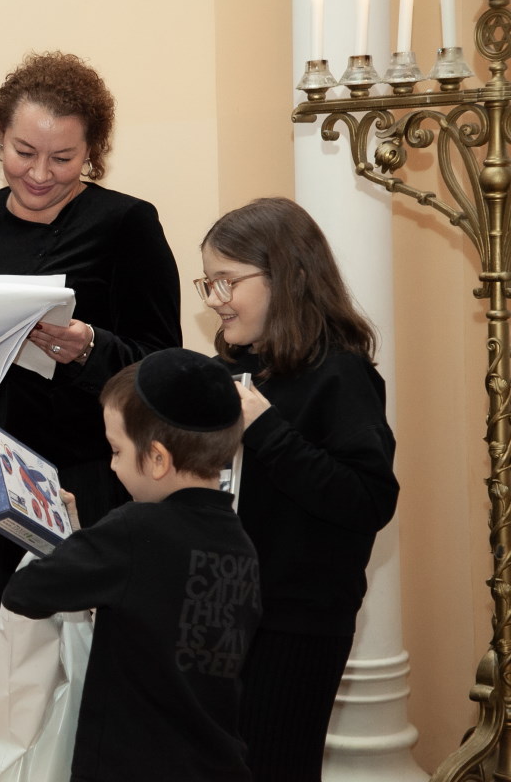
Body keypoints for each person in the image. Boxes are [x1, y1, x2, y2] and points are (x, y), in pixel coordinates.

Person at [0, 51, 182, 780]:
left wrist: (90, 348)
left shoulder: (126, 224)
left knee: (58, 671)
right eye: (24, 152)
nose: (41, 174)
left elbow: (161, 366)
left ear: (94, 152)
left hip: (75, 484)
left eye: (64, 158)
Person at [196, 196, 399, 781]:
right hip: (226, 607)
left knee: (275, 765)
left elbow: (368, 500)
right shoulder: (238, 371)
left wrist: (265, 429)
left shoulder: (340, 373)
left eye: (227, 281)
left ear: (286, 275)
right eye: (207, 283)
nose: (214, 299)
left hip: (298, 622)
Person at [2, 348, 261, 781]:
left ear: (157, 459)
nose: (112, 465)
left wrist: (70, 536)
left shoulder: (135, 529)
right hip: (215, 764)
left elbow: (25, 591)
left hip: (129, 764)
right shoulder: (240, 543)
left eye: (116, 450)